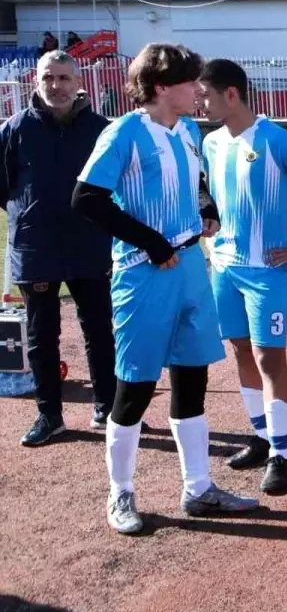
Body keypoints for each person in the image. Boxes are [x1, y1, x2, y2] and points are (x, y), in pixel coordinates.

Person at [72, 43, 257, 535]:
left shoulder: (189, 130)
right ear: (160, 87)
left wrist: (207, 208)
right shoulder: (125, 133)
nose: (199, 90)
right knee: (134, 388)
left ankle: (198, 488)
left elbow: (196, 183)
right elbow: (86, 198)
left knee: (193, 380)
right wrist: (150, 242)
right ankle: (121, 493)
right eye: (189, 82)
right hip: (142, 273)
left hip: (191, 268)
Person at [198, 59, 287, 494]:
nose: (200, 104)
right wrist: (210, 225)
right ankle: (261, 436)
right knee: (241, 350)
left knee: (269, 357)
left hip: (267, 271)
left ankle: (281, 453)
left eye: (206, 95)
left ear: (231, 94)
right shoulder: (211, 143)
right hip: (224, 267)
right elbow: (212, 195)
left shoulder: (275, 139)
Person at [0, 51, 116, 446]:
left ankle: (107, 408)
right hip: (36, 247)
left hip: (90, 243)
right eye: (49, 77)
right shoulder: (15, 129)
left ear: (78, 82)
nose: (57, 85)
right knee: (41, 335)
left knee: (100, 328)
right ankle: (50, 415)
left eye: (64, 78)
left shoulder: (102, 130)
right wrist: (31, 215)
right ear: (36, 81)